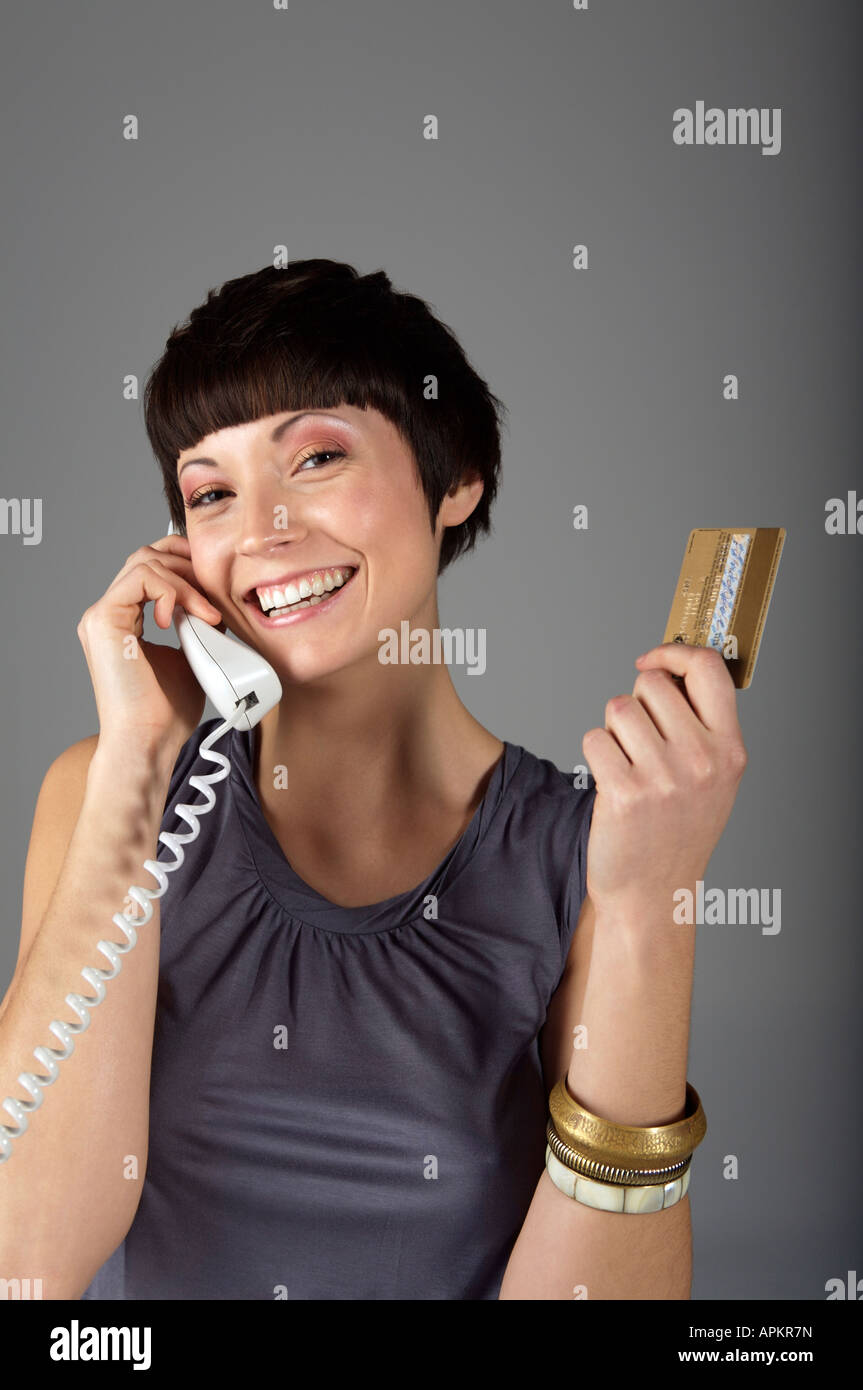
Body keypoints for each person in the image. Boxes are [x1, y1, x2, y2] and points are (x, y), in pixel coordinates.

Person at [0, 259, 747, 1300]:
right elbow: (29, 1268)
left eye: (313, 458)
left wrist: (645, 910)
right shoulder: (109, 790)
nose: (262, 528)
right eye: (212, 491)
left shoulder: (583, 853)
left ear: (454, 483)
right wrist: (135, 762)